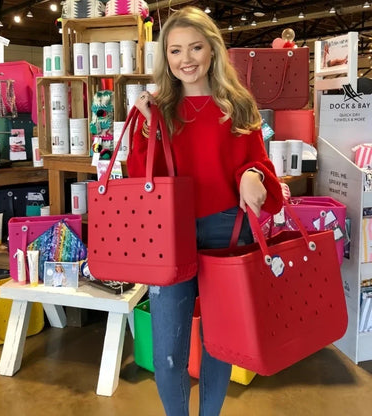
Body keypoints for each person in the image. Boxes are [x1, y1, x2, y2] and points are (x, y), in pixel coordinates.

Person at [126, 6, 283, 416]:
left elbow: (260, 165)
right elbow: (139, 176)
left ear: (212, 50)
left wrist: (254, 177)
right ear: (166, 57)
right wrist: (145, 129)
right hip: (167, 236)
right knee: (167, 355)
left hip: (228, 232)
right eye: (175, 51)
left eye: (196, 47)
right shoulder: (155, 108)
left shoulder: (238, 105)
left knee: (221, 344)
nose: (186, 59)